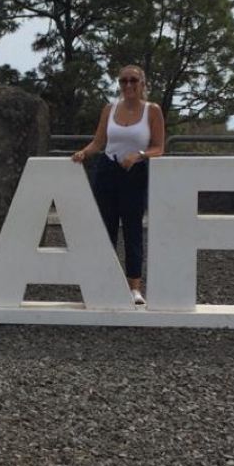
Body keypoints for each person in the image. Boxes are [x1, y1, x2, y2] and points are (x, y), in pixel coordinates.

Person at [71, 64, 166, 304]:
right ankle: (105, 282)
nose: (128, 85)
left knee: (132, 228)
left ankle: (134, 287)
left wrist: (139, 155)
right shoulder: (109, 109)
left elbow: (159, 148)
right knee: (105, 228)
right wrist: (84, 153)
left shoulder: (151, 111)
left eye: (133, 80)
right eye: (123, 81)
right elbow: (98, 142)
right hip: (107, 171)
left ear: (143, 84)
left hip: (135, 173)